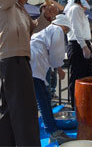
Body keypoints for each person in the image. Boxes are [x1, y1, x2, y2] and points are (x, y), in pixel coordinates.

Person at [0, 0, 58, 146]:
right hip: (12, 59)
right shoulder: (3, 1)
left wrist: (46, 16)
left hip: (17, 59)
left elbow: (34, 29)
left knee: (9, 109)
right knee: (25, 109)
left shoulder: (21, 11)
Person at [30, 14, 73, 145]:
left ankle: (29, 129)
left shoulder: (46, 29)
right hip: (36, 61)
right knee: (43, 97)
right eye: (66, 30)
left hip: (31, 59)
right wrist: (59, 68)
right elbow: (57, 53)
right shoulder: (58, 30)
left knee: (36, 97)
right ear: (64, 26)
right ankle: (53, 131)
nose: (65, 32)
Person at [64, 0, 92, 108]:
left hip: (82, 43)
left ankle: (87, 103)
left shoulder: (80, 11)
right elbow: (76, 29)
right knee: (77, 77)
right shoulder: (75, 9)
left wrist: (89, 44)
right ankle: (76, 106)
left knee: (88, 76)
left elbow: (82, 31)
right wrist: (84, 46)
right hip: (77, 45)